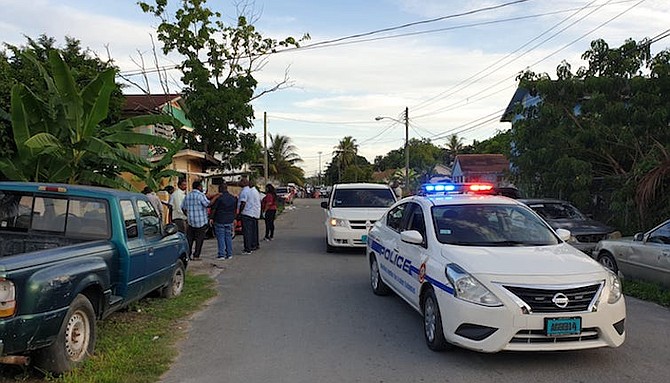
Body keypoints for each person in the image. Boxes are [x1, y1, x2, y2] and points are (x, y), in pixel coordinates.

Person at [181, 180, 210, 261]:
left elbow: (183, 207)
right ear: (199, 187)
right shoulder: (200, 195)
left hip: (191, 222)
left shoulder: (187, 196)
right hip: (201, 221)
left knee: (189, 240)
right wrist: (216, 197)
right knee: (199, 240)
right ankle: (196, 255)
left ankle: (188, 255)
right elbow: (208, 204)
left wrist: (187, 215)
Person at [209, 183, 237, 259]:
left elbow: (214, 209)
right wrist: (235, 218)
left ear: (220, 189)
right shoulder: (233, 198)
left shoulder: (219, 198)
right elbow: (234, 210)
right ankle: (229, 254)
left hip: (219, 219)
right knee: (228, 237)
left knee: (221, 237)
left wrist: (211, 218)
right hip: (230, 220)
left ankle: (221, 254)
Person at [238, 178, 261, 254]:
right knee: (253, 231)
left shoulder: (244, 191)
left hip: (246, 213)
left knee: (247, 232)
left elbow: (243, 203)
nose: (239, 183)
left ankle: (248, 248)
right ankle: (254, 244)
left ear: (244, 183)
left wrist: (239, 213)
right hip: (254, 213)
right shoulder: (253, 191)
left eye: (241, 181)